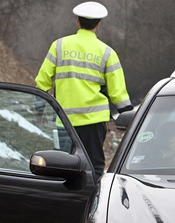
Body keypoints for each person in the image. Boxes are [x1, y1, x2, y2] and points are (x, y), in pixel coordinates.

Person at [35, 1, 132, 179]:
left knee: (63, 167)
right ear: (98, 24)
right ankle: (91, 204)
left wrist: (39, 109)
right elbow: (118, 93)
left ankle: (65, 203)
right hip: (94, 122)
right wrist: (129, 119)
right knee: (93, 166)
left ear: (77, 22)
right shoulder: (107, 53)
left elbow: (42, 82)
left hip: (65, 121)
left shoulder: (59, 46)